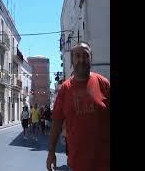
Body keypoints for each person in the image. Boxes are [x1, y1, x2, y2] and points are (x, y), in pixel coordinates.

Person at [46, 42, 110, 171]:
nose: (81, 59)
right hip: (77, 163)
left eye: (85, 55)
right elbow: (57, 123)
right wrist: (51, 151)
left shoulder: (103, 83)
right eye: (77, 56)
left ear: (91, 57)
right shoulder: (65, 89)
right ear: (72, 60)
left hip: (105, 162)